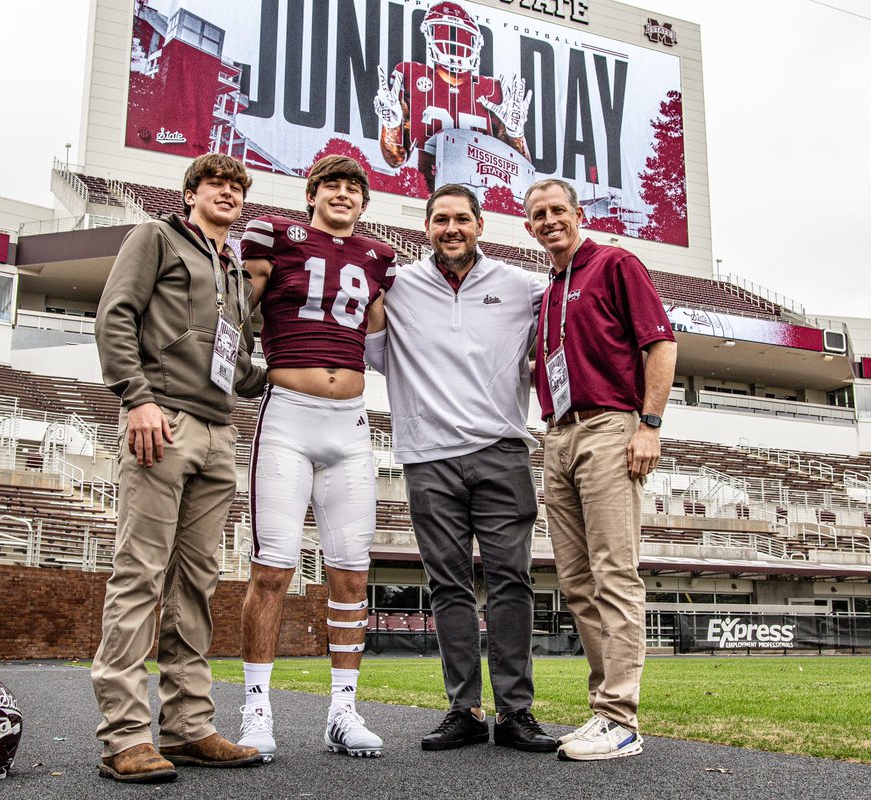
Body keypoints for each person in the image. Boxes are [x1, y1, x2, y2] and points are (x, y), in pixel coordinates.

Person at [91, 153, 266, 783]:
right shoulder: (155, 237)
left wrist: (304, 371)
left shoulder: (235, 273)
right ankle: (124, 734)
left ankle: (189, 726)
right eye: (215, 183)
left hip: (221, 431)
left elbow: (241, 366)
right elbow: (115, 316)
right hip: (162, 419)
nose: (227, 192)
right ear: (190, 192)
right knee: (140, 573)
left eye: (236, 187)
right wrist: (135, 398)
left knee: (196, 584)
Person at [364, 184, 558, 753]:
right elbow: (374, 351)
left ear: (480, 225)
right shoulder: (397, 286)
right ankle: (465, 710)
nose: (451, 228)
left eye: (462, 219)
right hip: (427, 456)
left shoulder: (522, 287)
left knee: (511, 584)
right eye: (440, 219)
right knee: (447, 585)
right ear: (426, 227)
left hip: (501, 451)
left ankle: (516, 713)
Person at [236, 155, 397, 761]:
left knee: (352, 573)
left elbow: (382, 345)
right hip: (288, 416)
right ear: (312, 194)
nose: (343, 194)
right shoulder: (276, 235)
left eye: (354, 188)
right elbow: (234, 313)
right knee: (272, 569)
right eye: (332, 184)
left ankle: (343, 710)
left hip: (351, 423)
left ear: (363, 203)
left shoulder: (378, 258)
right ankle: (256, 707)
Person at [523, 178, 677, 761]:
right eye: (539, 214)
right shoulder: (548, 291)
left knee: (615, 572)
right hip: (558, 433)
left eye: (558, 210)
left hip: (610, 426)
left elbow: (660, 345)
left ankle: (622, 718)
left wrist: (649, 424)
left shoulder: (614, 263)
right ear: (530, 226)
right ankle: (602, 710)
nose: (550, 220)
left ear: (577, 213)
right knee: (577, 581)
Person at [372, 0, 531, 190]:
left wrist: (515, 134)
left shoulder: (494, 89)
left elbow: (523, 173)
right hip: (425, 193)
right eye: (444, 33)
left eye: (462, 37)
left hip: (480, 199)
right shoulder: (411, 75)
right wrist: (391, 125)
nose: (455, 43)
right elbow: (396, 158)